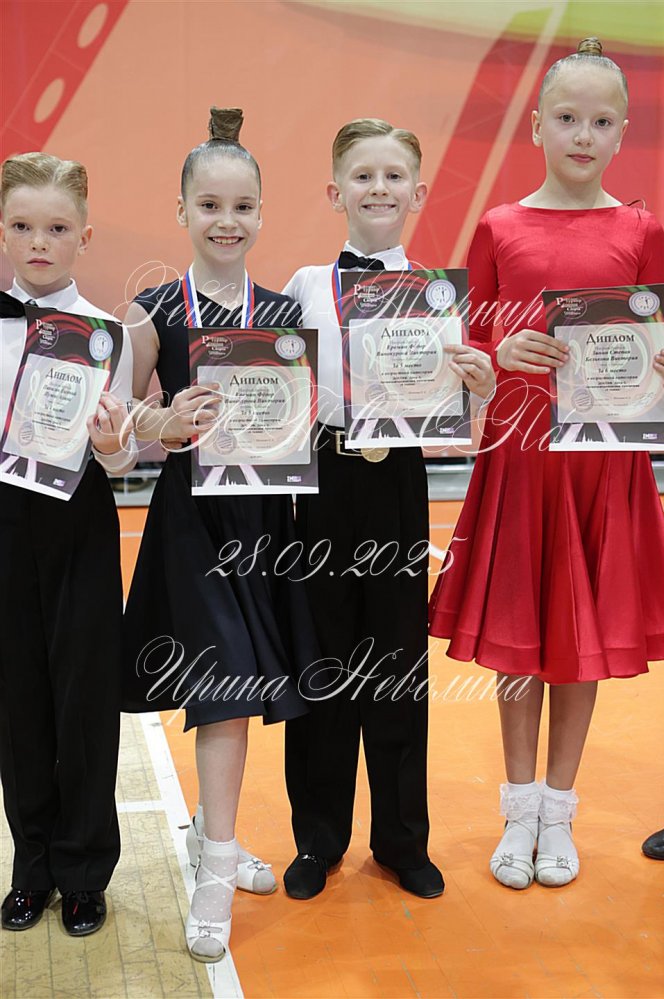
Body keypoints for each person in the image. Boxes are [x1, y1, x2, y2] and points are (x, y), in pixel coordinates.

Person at [429, 38, 664, 889]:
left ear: (623, 131)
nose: (583, 135)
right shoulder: (499, 225)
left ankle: (559, 808)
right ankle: (518, 806)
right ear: (536, 125)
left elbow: (655, 334)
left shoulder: (642, 230)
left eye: (601, 122)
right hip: (523, 461)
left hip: (603, 466)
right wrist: (497, 351)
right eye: (567, 118)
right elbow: (467, 344)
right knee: (521, 637)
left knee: (579, 638)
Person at [282, 118, 495, 900]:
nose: (379, 188)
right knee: (324, 657)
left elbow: (455, 413)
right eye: (363, 176)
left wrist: (479, 384)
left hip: (399, 480)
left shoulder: (439, 297)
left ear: (419, 191)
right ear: (335, 191)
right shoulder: (306, 285)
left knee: (398, 661)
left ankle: (403, 839)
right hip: (324, 482)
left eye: (394, 176)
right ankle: (318, 838)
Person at [122, 108, 317, 962]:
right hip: (191, 524)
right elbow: (118, 429)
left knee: (239, 684)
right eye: (209, 205)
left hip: (266, 524)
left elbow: (312, 422)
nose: (226, 221)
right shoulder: (152, 311)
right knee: (226, 685)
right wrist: (161, 422)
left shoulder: (283, 314)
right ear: (181, 210)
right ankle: (216, 866)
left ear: (263, 213)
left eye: (241, 206)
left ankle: (214, 830)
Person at [0, 152, 136, 935]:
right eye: (23, 226)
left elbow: (120, 460)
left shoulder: (107, 334)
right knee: (17, 696)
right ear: (4, 232)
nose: (39, 242)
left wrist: (115, 442)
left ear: (84, 236)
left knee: (84, 697)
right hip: (5, 522)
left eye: (56, 228)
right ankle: (32, 866)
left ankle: (84, 869)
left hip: (79, 518)